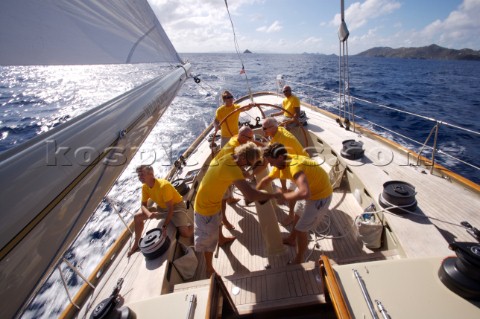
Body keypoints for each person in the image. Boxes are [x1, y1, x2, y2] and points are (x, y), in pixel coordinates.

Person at [194, 142, 283, 277]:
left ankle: (222, 239)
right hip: (205, 209)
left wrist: (257, 165)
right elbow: (250, 195)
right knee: (209, 242)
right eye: (247, 164)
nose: (246, 167)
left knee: (218, 223)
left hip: (213, 201)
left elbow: (245, 175)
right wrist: (274, 195)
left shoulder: (230, 157)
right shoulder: (232, 168)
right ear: (242, 158)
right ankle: (209, 268)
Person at [257, 143, 333, 265]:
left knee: (301, 229)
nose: (270, 165)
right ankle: (292, 239)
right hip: (310, 190)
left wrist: (283, 197)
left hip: (320, 196)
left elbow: (304, 193)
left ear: (280, 157)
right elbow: (266, 180)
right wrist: (254, 195)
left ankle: (299, 257)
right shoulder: (280, 165)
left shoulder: (294, 166)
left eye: (271, 162)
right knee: (297, 215)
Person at [128, 165, 194, 257]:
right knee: (137, 217)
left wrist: (164, 226)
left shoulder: (164, 186)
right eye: (138, 175)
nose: (140, 177)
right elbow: (143, 205)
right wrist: (149, 213)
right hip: (162, 208)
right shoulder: (145, 187)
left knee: (185, 233)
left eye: (142, 174)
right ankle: (136, 244)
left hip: (176, 208)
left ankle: (197, 226)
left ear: (151, 174)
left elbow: (171, 209)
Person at [262, 117, 309, 225]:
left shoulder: (283, 140)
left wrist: (283, 189)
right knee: (288, 191)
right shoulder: (278, 132)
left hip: (300, 167)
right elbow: (270, 147)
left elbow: (282, 166)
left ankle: (292, 215)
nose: (262, 130)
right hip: (294, 162)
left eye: (264, 128)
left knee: (291, 190)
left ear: (273, 127)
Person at [213, 126, 258, 230]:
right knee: (222, 200)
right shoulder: (233, 148)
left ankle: (231, 198)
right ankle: (224, 220)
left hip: (225, 168)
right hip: (219, 174)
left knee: (229, 191)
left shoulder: (237, 138)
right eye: (250, 138)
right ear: (242, 136)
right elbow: (236, 168)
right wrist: (249, 173)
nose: (251, 140)